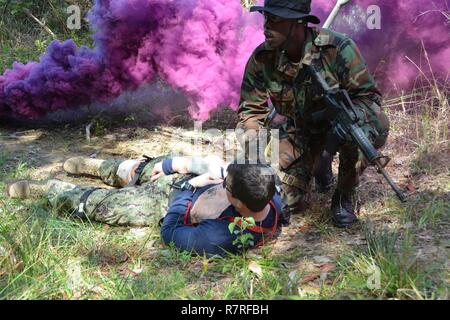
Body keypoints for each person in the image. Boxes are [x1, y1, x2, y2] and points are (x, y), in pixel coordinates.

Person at [237, 0, 390, 227]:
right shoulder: (262, 59)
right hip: (302, 131)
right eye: (266, 18)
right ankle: (319, 167)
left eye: (276, 19)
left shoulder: (337, 48)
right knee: (282, 203)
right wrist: (255, 158)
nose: (266, 25)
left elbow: (369, 98)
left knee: (363, 128)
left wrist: (348, 120)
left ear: (298, 23)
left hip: (341, 127)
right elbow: (250, 112)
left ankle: (343, 196)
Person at [6, 155, 282, 256]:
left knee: (103, 205)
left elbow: (170, 233)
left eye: (227, 186)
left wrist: (187, 188)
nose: (224, 183)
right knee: (144, 168)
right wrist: (176, 166)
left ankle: (53, 191)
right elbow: (218, 170)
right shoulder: (266, 188)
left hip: (165, 203)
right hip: (187, 181)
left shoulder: (220, 236)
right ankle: (108, 168)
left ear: (240, 203)